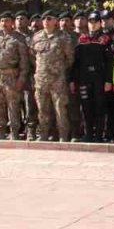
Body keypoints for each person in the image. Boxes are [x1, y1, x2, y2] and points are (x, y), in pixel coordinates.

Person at [0, 12, 32, 141]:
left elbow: (24, 63)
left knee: (13, 106)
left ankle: (15, 132)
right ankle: (1, 132)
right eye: (1, 21)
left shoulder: (18, 39)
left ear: (12, 22)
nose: (4, 24)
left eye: (7, 21)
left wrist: (21, 80)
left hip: (12, 77)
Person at [31, 12, 75, 142]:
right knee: (42, 109)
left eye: (49, 18)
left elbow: (70, 58)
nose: (45, 21)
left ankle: (63, 135)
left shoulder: (63, 37)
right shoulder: (37, 37)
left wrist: (57, 70)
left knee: (60, 109)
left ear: (55, 21)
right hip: (41, 79)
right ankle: (44, 134)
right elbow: (33, 56)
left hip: (57, 80)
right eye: (43, 18)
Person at [71, 12, 112, 143]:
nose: (93, 24)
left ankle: (99, 135)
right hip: (84, 79)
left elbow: (110, 62)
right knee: (86, 107)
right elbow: (75, 62)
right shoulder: (82, 39)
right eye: (90, 21)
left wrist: (108, 80)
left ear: (100, 23)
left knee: (99, 107)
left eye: (95, 21)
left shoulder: (105, 39)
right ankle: (88, 134)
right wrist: (73, 80)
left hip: (100, 79)